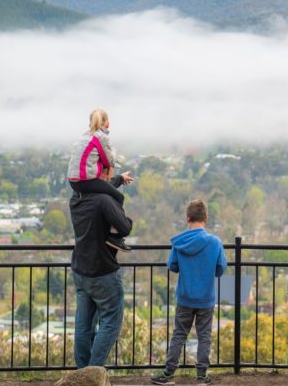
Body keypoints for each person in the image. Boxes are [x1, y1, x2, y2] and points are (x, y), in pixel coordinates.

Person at [151, 199, 228, 385]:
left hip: (185, 296)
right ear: (206, 218)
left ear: (187, 219)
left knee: (179, 334)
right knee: (204, 336)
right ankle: (201, 376)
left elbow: (173, 266)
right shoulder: (215, 242)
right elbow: (221, 268)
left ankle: (168, 373)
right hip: (206, 298)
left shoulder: (179, 242)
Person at [69, 162, 133, 367]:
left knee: (83, 326)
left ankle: (82, 374)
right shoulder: (104, 201)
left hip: (80, 269)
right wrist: (128, 220)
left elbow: (100, 186)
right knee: (110, 323)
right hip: (103, 271)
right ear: (103, 173)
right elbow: (124, 227)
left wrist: (119, 180)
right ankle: (93, 373)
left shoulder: (75, 198)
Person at [68, 109, 134, 250]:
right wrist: (113, 150)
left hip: (75, 182)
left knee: (107, 190)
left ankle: (113, 233)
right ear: (107, 123)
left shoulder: (84, 137)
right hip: (87, 180)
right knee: (118, 196)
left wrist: (120, 178)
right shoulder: (101, 137)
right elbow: (110, 160)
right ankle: (114, 235)